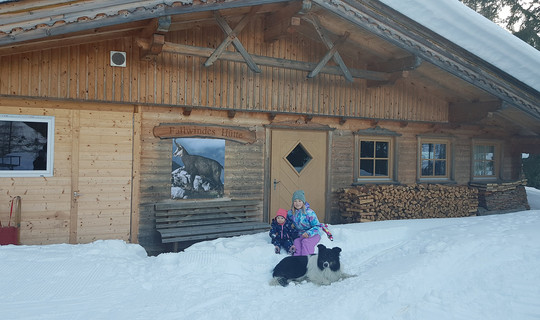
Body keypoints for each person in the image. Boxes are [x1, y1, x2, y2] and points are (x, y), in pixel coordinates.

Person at [288, 190, 322, 256]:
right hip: (301, 234)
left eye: (299, 201)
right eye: (295, 201)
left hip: (313, 234)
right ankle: (297, 260)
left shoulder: (309, 213)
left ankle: (307, 260)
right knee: (297, 242)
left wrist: (309, 233)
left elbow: (317, 226)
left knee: (306, 242)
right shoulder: (291, 213)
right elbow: (285, 221)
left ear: (303, 202)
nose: (297, 203)